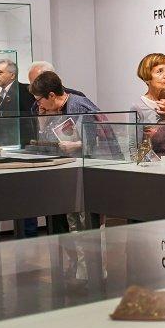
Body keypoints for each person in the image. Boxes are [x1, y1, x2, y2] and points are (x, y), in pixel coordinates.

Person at [30, 71, 110, 232]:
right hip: (70, 172)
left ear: (51, 95)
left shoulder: (78, 106)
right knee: (73, 222)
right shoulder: (52, 110)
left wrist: (75, 146)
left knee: (86, 222)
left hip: (86, 173)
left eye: (39, 100)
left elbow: (93, 142)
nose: (39, 105)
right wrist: (43, 122)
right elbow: (47, 141)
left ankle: (89, 249)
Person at [0, 59, 37, 146]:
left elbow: (29, 122)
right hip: (6, 144)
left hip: (19, 144)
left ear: (12, 75)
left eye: (0, 72)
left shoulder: (24, 91)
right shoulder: (3, 93)